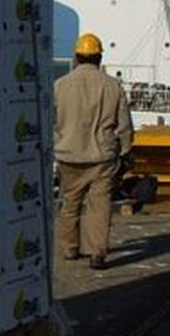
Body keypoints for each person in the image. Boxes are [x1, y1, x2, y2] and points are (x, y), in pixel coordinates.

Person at [53, 32, 133, 269]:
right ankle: (97, 252)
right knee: (100, 205)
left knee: (70, 202)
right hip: (102, 157)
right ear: (99, 58)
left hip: (69, 155)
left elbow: (51, 120)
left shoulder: (59, 86)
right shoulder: (113, 86)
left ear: (76, 57)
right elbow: (124, 125)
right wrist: (126, 152)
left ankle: (69, 249)